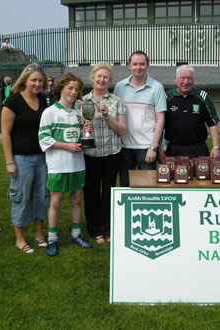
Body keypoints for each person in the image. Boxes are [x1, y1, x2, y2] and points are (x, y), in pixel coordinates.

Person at [39, 72, 92, 256]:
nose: (73, 92)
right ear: (61, 88)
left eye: (76, 89)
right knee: (56, 201)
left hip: (77, 164)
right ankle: (52, 239)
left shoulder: (79, 113)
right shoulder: (50, 112)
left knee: (77, 199)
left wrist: (85, 132)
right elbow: (44, 139)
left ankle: (76, 234)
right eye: (70, 88)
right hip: (58, 165)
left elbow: (78, 140)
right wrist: (66, 146)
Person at [1, 63, 49, 254]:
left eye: (40, 80)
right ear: (25, 81)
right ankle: (20, 239)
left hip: (41, 158)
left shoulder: (43, 100)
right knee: (20, 198)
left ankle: (39, 235)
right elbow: (5, 133)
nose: (37, 84)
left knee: (40, 197)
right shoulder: (13, 102)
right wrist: (9, 162)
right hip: (21, 159)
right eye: (34, 80)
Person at [82, 63, 126, 244]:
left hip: (111, 153)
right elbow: (77, 131)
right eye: (98, 76)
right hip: (90, 154)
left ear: (110, 81)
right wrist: (84, 129)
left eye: (105, 77)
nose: (101, 80)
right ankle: (94, 230)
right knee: (91, 192)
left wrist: (108, 117)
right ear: (92, 78)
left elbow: (122, 130)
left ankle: (106, 228)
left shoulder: (116, 102)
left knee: (108, 191)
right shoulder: (83, 102)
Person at [113, 51, 167, 187]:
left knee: (146, 190)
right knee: (125, 188)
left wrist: (153, 147)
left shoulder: (157, 88)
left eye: (142, 64)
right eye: (135, 64)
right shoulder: (119, 87)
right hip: (124, 147)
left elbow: (160, 119)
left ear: (147, 65)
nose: (138, 67)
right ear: (129, 66)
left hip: (146, 147)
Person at [162, 65, 220, 160]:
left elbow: (213, 123)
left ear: (193, 79)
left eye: (189, 78)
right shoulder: (166, 98)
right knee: (173, 175)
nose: (186, 82)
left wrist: (216, 147)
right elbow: (159, 125)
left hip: (198, 148)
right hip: (173, 149)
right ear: (175, 79)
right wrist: (160, 148)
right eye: (182, 78)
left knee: (202, 174)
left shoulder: (203, 97)